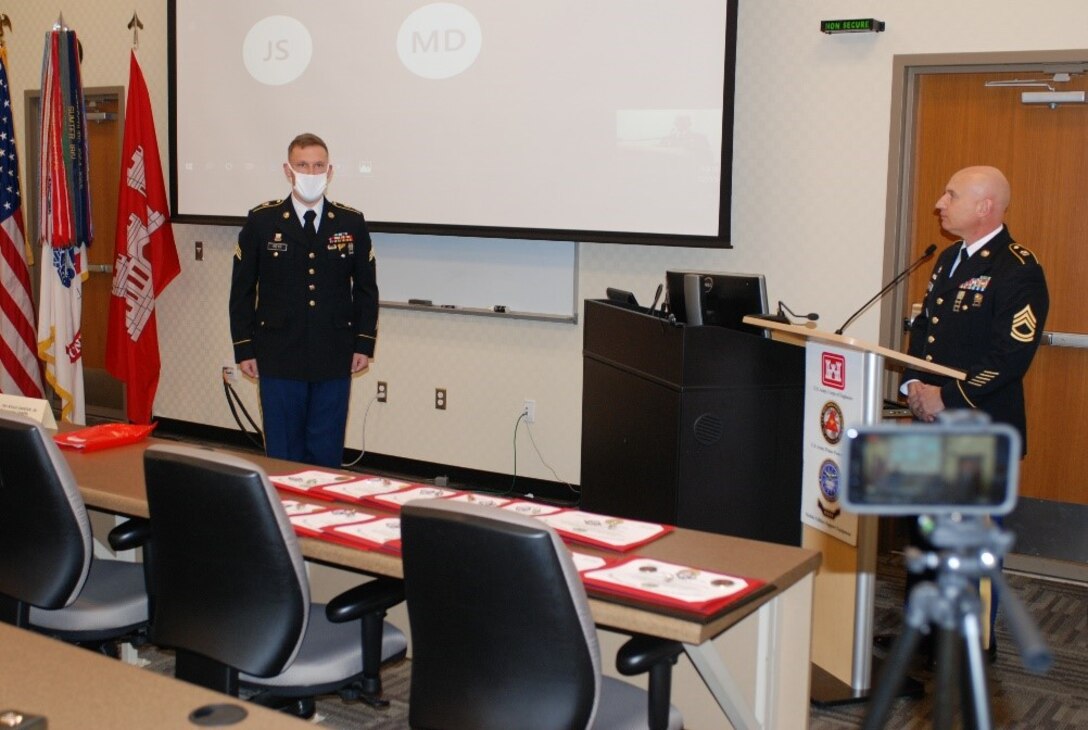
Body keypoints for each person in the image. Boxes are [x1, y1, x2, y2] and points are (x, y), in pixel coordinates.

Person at [897, 164, 1049, 661]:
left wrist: (949, 397)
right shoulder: (947, 259)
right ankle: (925, 635)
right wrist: (915, 383)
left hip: (980, 428)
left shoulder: (1017, 268)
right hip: (931, 423)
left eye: (951, 194)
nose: (940, 203)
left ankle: (969, 645)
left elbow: (1010, 356)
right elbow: (925, 331)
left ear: (985, 206)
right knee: (927, 534)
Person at [229, 133, 378, 467]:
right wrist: (244, 348)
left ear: (330, 171)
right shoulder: (262, 221)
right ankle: (283, 517)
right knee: (283, 454)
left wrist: (363, 344)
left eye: (318, 165)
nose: (311, 172)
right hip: (278, 355)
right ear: (287, 170)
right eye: (302, 165)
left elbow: (367, 289)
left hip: (334, 354)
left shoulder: (350, 222)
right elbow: (241, 291)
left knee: (326, 453)